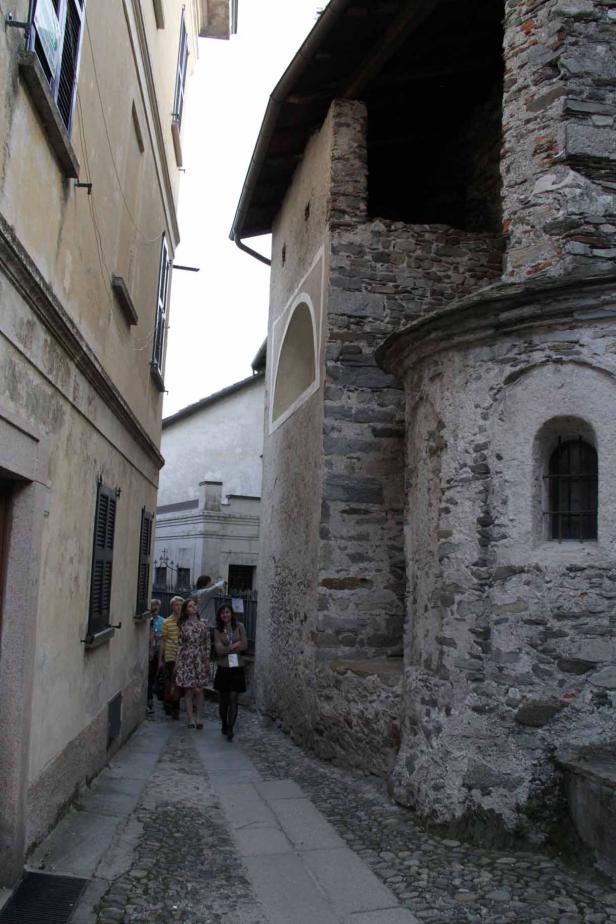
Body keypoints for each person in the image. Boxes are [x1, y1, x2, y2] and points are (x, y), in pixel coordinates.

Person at [213, 603, 247, 741]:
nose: (225, 615)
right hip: (223, 668)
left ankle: (231, 728)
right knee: (224, 699)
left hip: (237, 667)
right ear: (219, 616)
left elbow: (244, 645)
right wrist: (233, 646)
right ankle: (224, 723)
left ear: (231, 613)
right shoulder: (217, 630)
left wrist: (227, 647)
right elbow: (218, 650)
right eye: (222, 613)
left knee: (234, 697)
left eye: (227, 612)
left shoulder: (240, 626)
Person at [174, 598, 210, 728]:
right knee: (188, 691)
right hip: (187, 658)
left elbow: (207, 643)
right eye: (190, 606)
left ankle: (199, 718)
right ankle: (190, 718)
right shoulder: (183, 625)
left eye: (194, 605)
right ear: (186, 610)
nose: (193, 607)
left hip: (200, 658)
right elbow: (180, 644)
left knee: (199, 690)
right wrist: (178, 662)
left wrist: (206, 660)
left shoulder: (204, 624)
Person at [159, 595, 183, 719]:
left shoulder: (185, 622)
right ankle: (170, 705)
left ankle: (175, 706)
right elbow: (163, 640)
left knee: (178, 682)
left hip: (182, 656)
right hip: (170, 655)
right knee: (170, 681)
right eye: (176, 605)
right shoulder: (167, 622)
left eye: (180, 605)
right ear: (172, 607)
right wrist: (161, 658)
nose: (178, 607)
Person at [146, 599, 164, 714]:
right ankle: (149, 699)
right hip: (149, 650)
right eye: (153, 608)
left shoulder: (163, 621)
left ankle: (151, 697)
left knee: (153, 675)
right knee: (148, 676)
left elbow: (163, 636)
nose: (155, 611)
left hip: (158, 650)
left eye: (157, 609)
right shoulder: (149, 621)